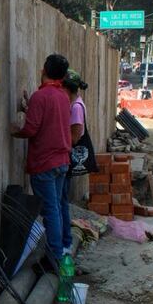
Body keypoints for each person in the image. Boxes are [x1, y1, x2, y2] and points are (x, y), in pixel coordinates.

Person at [11, 54, 72, 260]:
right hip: (61, 161)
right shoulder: (63, 96)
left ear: (43, 70)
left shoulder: (41, 96)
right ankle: (63, 248)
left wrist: (12, 131)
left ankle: (54, 257)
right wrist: (31, 109)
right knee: (57, 208)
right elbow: (49, 121)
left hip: (45, 163)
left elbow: (31, 129)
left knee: (50, 212)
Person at [61, 69, 89, 254]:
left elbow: (76, 136)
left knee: (61, 200)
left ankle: (65, 240)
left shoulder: (76, 107)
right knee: (61, 199)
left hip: (67, 157)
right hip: (66, 156)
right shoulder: (75, 103)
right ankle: (65, 238)